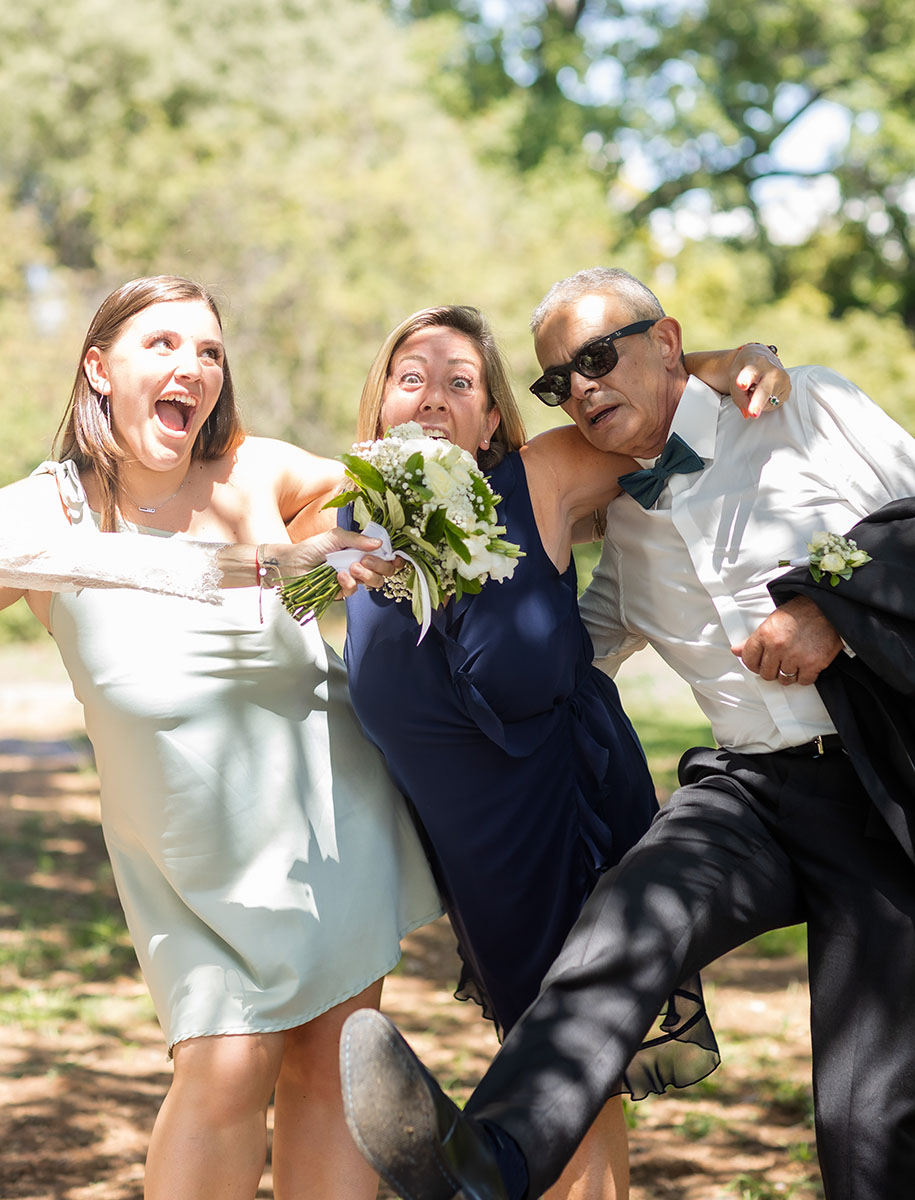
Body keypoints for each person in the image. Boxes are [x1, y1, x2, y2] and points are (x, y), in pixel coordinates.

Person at [337, 267, 915, 1200]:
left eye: (599, 356)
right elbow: (573, 647)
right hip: (753, 790)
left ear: (669, 340)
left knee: (868, 1114)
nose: (582, 386)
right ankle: (490, 1165)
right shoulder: (628, 516)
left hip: (883, 781)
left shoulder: (804, 407)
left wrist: (832, 609)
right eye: (557, 381)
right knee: (624, 920)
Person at [0, 275, 443, 1200]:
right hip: (185, 860)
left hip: (327, 817)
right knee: (226, 1064)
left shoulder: (253, 474)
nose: (190, 368)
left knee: (332, 1062)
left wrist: (367, 545)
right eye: (161, 345)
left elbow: (409, 487)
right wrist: (257, 562)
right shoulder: (49, 512)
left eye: (207, 351)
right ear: (98, 367)